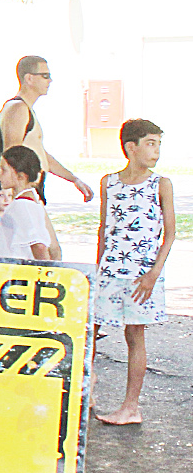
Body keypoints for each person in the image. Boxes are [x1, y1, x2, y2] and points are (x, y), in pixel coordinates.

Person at [93, 120, 173, 426]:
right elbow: (104, 229)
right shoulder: (109, 182)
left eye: (158, 144)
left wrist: (154, 274)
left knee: (134, 334)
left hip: (142, 274)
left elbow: (170, 234)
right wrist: (98, 269)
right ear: (131, 147)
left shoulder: (160, 184)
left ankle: (131, 405)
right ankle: (88, 390)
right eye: (150, 143)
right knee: (93, 332)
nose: (156, 151)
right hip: (110, 269)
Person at [0, 56, 94, 204]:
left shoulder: (27, 110)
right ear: (29, 79)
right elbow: (11, 157)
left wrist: (74, 180)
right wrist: (18, 194)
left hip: (31, 188)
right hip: (23, 190)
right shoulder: (17, 108)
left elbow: (42, 156)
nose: (50, 81)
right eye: (45, 76)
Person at [0, 146, 59, 261]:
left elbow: (39, 245)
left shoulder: (22, 205)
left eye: (3, 170)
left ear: (21, 176)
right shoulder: (32, 203)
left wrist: (43, 274)